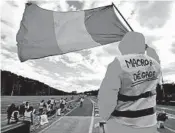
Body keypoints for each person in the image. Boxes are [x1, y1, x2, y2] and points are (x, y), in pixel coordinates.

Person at [98, 32, 162, 133]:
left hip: (122, 124)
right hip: (150, 124)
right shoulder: (155, 63)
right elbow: (156, 59)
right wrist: (147, 48)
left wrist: (104, 117)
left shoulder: (118, 63)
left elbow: (107, 97)